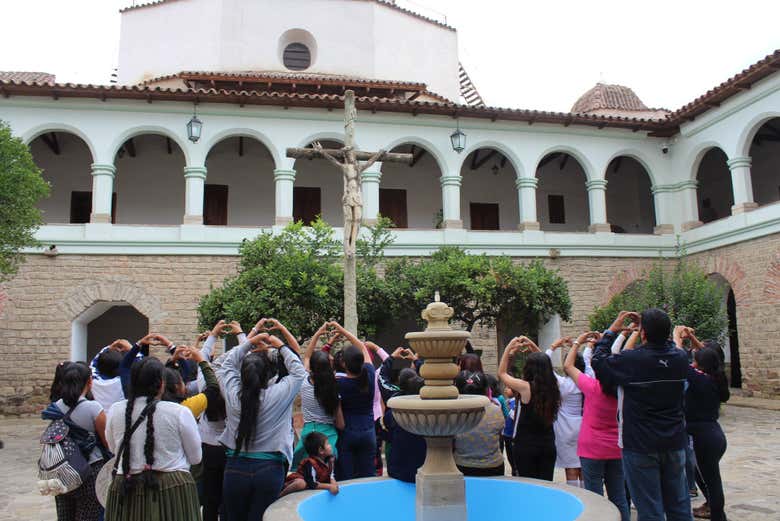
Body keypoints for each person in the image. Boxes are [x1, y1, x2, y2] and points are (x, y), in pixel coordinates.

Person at [592, 310, 692, 521]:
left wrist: (612, 330)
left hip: (640, 444)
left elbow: (599, 362)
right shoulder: (680, 359)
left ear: (643, 333)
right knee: (680, 506)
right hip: (674, 442)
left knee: (649, 508)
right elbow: (671, 349)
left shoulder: (632, 360)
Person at [218, 328, 306, 521]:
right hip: (269, 468)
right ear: (268, 375)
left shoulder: (233, 394)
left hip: (235, 467)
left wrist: (249, 341)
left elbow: (226, 365)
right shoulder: (278, 394)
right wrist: (280, 345)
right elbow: (299, 372)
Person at [105, 354, 203, 521]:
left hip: (127, 484)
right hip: (172, 489)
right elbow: (195, 458)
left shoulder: (115, 410)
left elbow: (114, 449)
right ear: (162, 383)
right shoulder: (179, 412)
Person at [563, 331, 630, 521]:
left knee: (594, 497)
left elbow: (568, 366)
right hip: (617, 448)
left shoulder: (592, 387)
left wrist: (578, 342)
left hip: (592, 449)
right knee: (619, 497)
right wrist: (625, 335)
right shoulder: (624, 391)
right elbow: (621, 356)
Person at [674, 327, 730, 521]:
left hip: (704, 437)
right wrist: (691, 337)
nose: (694, 361)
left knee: (712, 481)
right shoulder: (716, 378)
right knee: (708, 478)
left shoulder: (699, 380)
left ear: (701, 364)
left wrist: (676, 337)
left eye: (696, 360)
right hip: (714, 434)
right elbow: (708, 355)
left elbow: (679, 359)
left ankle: (718, 516)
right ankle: (717, 513)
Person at [42, 362, 108, 521]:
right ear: (90, 382)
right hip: (90, 471)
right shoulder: (94, 408)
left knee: (65, 515)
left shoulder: (55, 407)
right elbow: (107, 442)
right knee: (89, 515)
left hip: (62, 470)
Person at [498, 336, 561, 481]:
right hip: (547, 444)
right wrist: (532, 345)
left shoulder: (525, 387)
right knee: (546, 485)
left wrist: (509, 347)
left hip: (526, 445)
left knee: (529, 485)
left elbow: (502, 373)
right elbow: (545, 363)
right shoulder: (554, 385)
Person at [294, 322, 345, 468]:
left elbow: (307, 357)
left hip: (308, 434)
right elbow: (341, 424)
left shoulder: (304, 382)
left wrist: (318, 333)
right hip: (328, 436)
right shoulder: (334, 389)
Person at [333, 321, 377, 480]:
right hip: (368, 430)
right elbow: (363, 347)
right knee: (368, 476)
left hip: (347, 432)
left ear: (343, 364)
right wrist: (344, 331)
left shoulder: (338, 384)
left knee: (346, 477)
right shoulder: (370, 374)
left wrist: (338, 331)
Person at [545, 337, 585, 487]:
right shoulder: (586, 381)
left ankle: (575, 494)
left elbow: (546, 364)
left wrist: (554, 346)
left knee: (571, 467)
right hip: (584, 425)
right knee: (583, 466)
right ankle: (588, 497)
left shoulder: (563, 384)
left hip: (565, 428)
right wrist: (581, 345)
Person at [453, 371, 505, 476]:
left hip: (462, 466)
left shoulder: (455, 412)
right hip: (493, 467)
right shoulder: (496, 410)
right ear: (487, 390)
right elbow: (499, 435)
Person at [383, 363, 426, 483]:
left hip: (399, 471)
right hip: (424, 469)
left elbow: (385, 434)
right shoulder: (431, 414)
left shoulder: (394, 412)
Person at [280, 431, 339, 497]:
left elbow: (331, 476)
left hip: (310, 484)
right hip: (299, 480)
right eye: (328, 444)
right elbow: (312, 483)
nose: (330, 445)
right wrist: (329, 486)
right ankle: (280, 496)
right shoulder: (310, 463)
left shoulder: (329, 460)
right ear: (321, 450)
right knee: (301, 483)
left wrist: (334, 485)